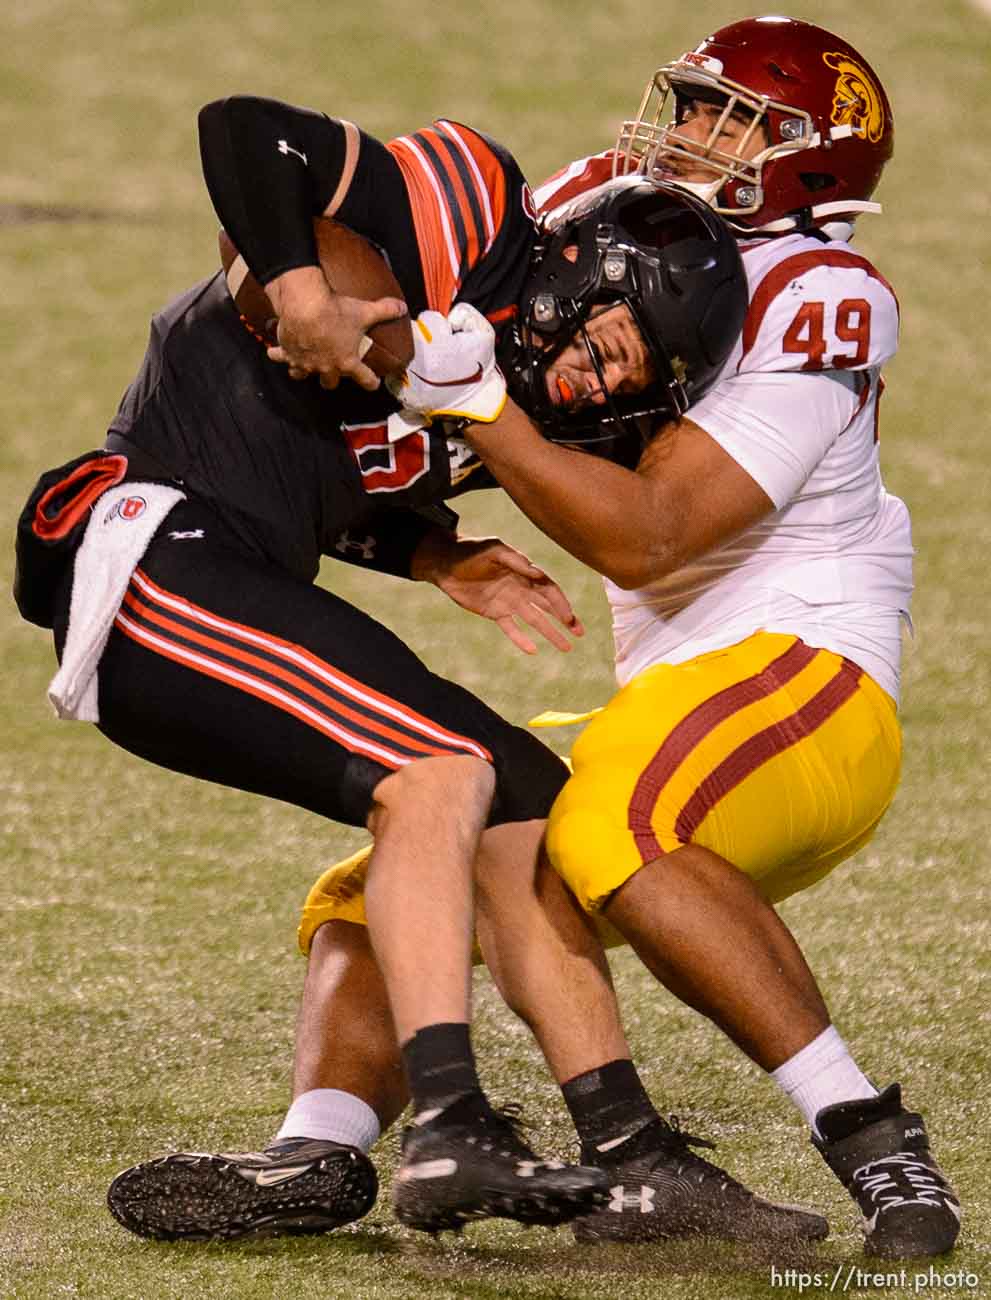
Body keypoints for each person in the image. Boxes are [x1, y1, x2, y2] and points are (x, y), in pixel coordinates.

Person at [103, 16, 962, 1261]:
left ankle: (873, 1140)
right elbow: (334, 239)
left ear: (812, 166)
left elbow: (655, 537)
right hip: (669, 687)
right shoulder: (597, 202)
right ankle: (321, 1145)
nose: (692, 139)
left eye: (737, 125)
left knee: (620, 827)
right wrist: (308, 289)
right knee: (414, 854)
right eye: (695, 106)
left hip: (802, 667)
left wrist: (480, 404)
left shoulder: (818, 292)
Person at [13, 95, 753, 1240]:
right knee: (440, 770)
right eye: (609, 347)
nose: (600, 387)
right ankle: (451, 1120)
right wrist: (300, 287)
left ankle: (628, 1151)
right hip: (149, 542)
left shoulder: (519, 409)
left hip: (238, 565)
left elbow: (339, 473)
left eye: (627, 381)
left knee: (515, 786)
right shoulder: (473, 215)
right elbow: (244, 135)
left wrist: (429, 549)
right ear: (578, 276)